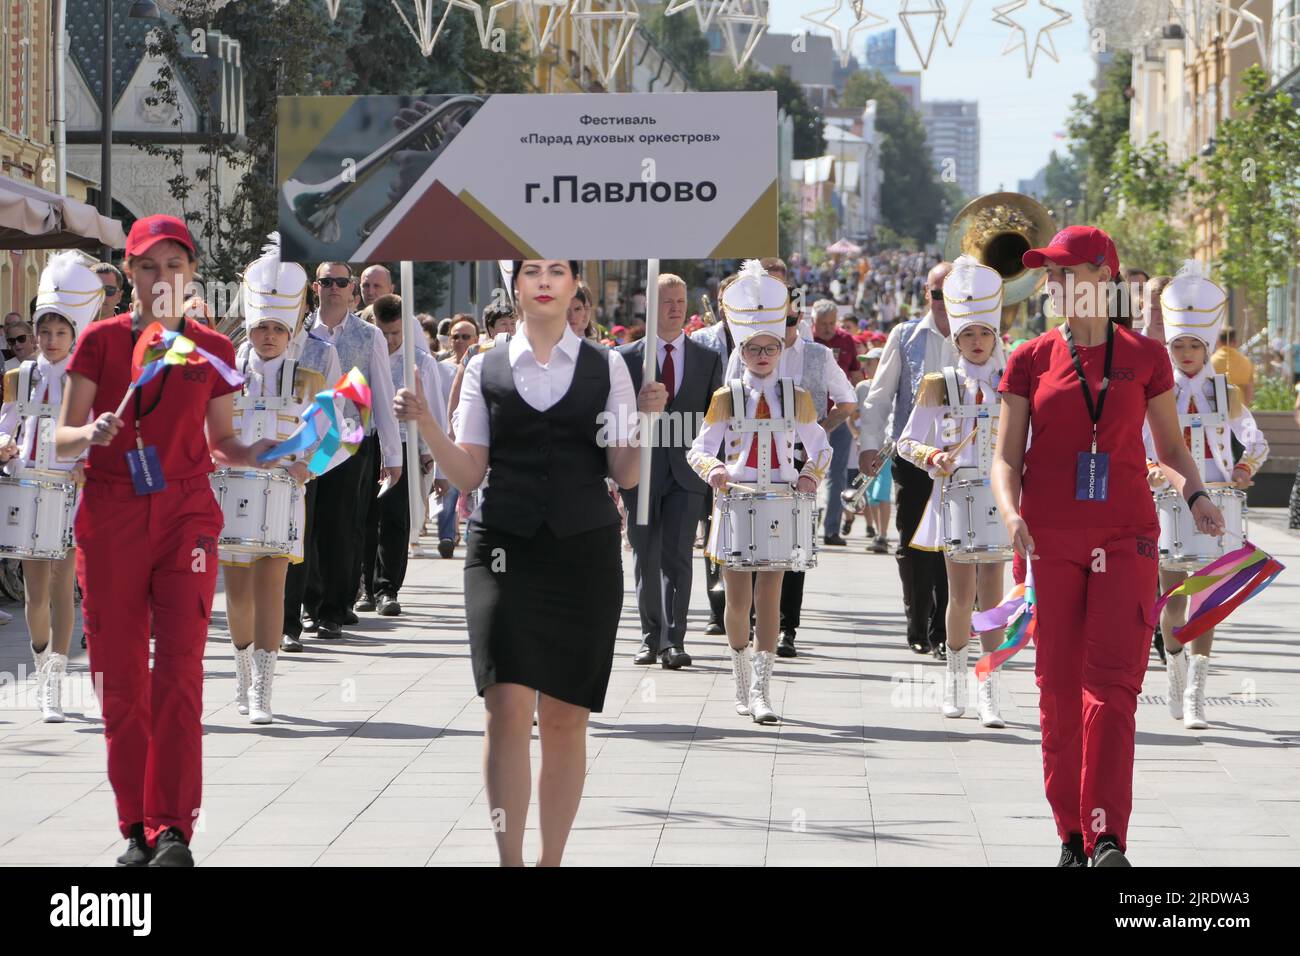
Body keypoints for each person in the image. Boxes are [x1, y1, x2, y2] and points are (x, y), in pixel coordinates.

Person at [394, 258, 654, 867]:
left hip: (583, 549)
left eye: (557, 270)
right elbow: (469, 473)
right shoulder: (485, 364)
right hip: (502, 547)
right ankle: (510, 860)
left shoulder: (608, 364)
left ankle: (549, 861)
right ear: (514, 284)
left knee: (565, 717)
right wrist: (428, 424)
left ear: (574, 286)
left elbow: (626, 472)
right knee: (505, 705)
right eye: (530, 269)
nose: (543, 280)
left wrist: (646, 421)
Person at [55, 214, 284, 867]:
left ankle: (173, 828)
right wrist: (91, 432)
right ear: (129, 275)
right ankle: (135, 826)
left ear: (190, 273)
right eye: (148, 266)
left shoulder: (212, 346)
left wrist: (269, 451)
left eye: (174, 266)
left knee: (180, 671)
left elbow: (225, 440)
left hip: (185, 510)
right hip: (110, 513)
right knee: (120, 676)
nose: (162, 278)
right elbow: (61, 438)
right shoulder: (98, 342)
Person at [992, 225, 1225, 868]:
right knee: (1059, 690)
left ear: (1105, 279)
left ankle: (1109, 837)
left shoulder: (1147, 358)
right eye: (1051, 275)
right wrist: (1010, 513)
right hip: (1047, 539)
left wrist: (1198, 496)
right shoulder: (1030, 357)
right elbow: (1006, 457)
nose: (1056, 285)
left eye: (1067, 273)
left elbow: (1172, 449)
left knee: (1114, 686)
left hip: (1128, 537)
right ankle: (1071, 834)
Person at [688, 260, 831, 723]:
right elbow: (699, 448)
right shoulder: (726, 396)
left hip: (780, 502)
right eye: (754, 348)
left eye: (771, 347)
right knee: (737, 599)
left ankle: (764, 690)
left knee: (770, 594)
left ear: (781, 348)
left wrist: (810, 472)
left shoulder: (797, 397)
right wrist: (714, 470)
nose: (763, 355)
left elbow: (822, 447)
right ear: (742, 350)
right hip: (736, 500)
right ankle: (740, 678)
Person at [1144, 264, 1268, 731]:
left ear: (1208, 346)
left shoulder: (1224, 391)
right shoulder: (1156, 391)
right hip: (1170, 502)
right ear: (1170, 347)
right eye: (1179, 345)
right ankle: (1174, 669)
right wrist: (1152, 470)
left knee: (1209, 597)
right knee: (1173, 596)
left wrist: (1240, 470)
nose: (1188, 353)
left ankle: (1197, 690)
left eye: (1196, 345)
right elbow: (1137, 445)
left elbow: (1255, 442)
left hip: (1216, 501)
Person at [896, 256, 1008, 727]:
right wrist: (932, 457)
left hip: (1000, 500)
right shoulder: (938, 385)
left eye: (985, 334)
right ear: (956, 340)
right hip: (956, 496)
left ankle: (991, 690)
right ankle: (956, 682)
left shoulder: (1012, 385)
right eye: (968, 335)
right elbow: (906, 441)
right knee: (961, 595)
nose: (977, 342)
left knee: (995, 597)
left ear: (995, 337)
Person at [222, 236, 327, 723]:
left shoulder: (308, 379)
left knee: (273, 590)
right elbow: (209, 430)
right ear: (250, 326)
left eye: (277, 329)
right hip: (231, 494)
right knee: (238, 595)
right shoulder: (224, 374)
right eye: (261, 326)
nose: (268, 336)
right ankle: (243, 673)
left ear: (290, 334)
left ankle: (264, 689)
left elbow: (337, 434)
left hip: (285, 495)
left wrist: (311, 464)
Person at [0, 252, 100, 721]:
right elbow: (7, 425)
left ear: (74, 333)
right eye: (44, 331)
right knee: (33, 591)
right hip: (26, 487)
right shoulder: (16, 377)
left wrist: (86, 463)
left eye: (61, 332)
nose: (52, 340)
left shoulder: (87, 379)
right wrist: (3, 443)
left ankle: (53, 683)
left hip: (68, 489)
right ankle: (42, 664)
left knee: (63, 587)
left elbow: (97, 430)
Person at [618, 273, 723, 669]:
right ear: (649, 304)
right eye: (667, 301)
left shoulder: (706, 358)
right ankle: (649, 637)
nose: (676, 308)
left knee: (679, 554)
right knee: (646, 554)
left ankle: (674, 640)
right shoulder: (626, 358)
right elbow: (614, 417)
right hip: (640, 471)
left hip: (687, 474)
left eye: (680, 301)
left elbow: (716, 420)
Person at [859, 262, 958, 657]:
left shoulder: (981, 336)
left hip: (960, 462)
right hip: (914, 457)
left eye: (950, 295)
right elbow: (880, 395)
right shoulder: (904, 336)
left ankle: (943, 630)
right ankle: (918, 621)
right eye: (937, 294)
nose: (942, 303)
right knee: (915, 544)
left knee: (953, 547)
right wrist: (869, 444)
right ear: (925, 294)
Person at [301, 262, 401, 639]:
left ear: (352, 289)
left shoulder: (369, 335)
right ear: (315, 287)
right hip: (310, 444)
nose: (333, 288)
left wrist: (393, 457)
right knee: (307, 525)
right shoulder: (301, 331)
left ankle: (334, 607)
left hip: (349, 442)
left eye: (341, 282)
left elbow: (383, 393)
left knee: (341, 526)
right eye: (326, 281)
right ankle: (311, 603)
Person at [358, 294, 443, 615]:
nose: (390, 340)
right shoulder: (363, 355)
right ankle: (363, 585)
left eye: (395, 333)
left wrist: (429, 455)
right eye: (384, 333)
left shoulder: (419, 362)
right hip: (366, 440)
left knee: (394, 518)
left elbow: (432, 412)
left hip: (404, 443)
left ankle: (387, 588)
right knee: (364, 517)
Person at [811, 298, 863, 547]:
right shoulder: (806, 342)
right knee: (807, 469)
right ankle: (806, 525)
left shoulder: (846, 341)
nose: (828, 328)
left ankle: (831, 529)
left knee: (838, 473)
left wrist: (854, 405)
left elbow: (854, 373)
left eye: (832, 323)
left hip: (839, 416)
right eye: (823, 324)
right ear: (813, 322)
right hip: (811, 415)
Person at [1212, 326, 1255, 406]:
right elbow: (1249, 390)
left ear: (1218, 342)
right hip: (1239, 409)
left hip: (1216, 410)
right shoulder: (1246, 362)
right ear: (1235, 342)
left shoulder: (1211, 362)